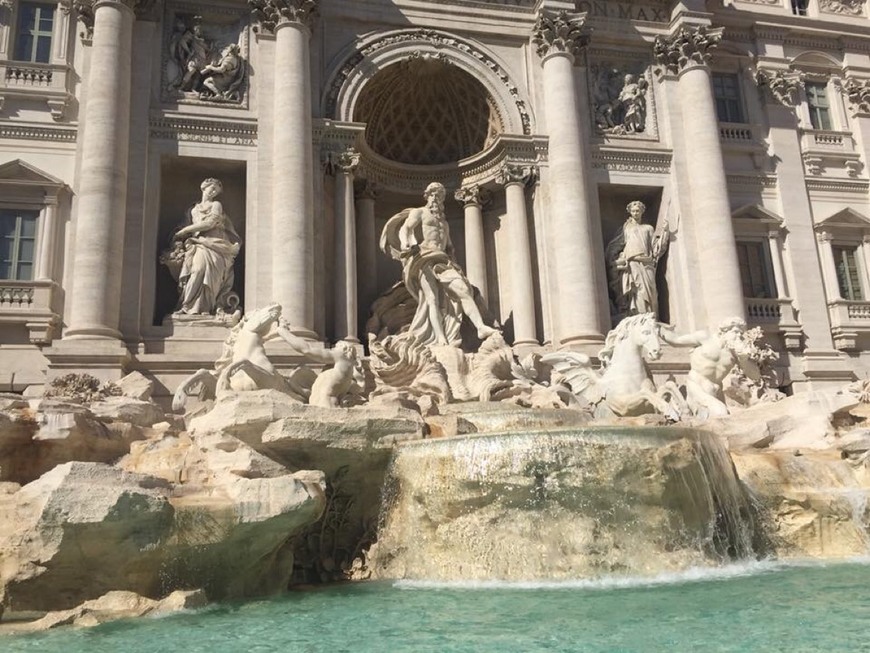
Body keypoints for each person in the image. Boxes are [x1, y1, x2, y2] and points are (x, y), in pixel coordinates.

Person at [380, 182, 498, 347]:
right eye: (433, 194)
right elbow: (406, 229)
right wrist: (406, 243)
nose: (436, 198)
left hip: (443, 261)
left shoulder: (444, 223)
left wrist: (455, 265)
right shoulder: (419, 212)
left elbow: (449, 247)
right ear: (427, 196)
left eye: (440, 195)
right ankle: (440, 338)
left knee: (463, 290)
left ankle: (480, 327)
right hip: (423, 258)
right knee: (432, 298)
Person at [660, 317, 763, 419]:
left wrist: (744, 360)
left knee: (726, 421)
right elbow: (675, 340)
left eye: (741, 333)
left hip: (716, 391)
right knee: (720, 412)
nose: (738, 336)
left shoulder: (736, 353)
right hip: (696, 385)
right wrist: (656, 329)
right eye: (735, 332)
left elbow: (755, 376)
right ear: (724, 331)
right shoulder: (705, 338)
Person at [172, 178, 241, 316]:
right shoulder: (193, 210)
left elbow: (210, 223)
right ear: (204, 187)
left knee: (211, 277)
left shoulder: (216, 204)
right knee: (197, 270)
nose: (213, 192)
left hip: (215, 245)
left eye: (216, 190)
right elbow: (189, 227)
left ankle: (205, 308)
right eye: (212, 188)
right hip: (199, 243)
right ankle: (187, 306)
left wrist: (185, 230)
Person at [606, 200, 668, 318]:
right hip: (632, 264)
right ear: (630, 212)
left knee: (651, 292)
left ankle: (650, 316)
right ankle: (639, 317)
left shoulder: (648, 228)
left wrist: (664, 233)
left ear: (642, 212)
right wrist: (614, 260)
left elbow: (656, 248)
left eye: (638, 211)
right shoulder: (626, 228)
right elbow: (615, 246)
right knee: (636, 291)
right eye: (633, 211)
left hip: (647, 263)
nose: (635, 213)